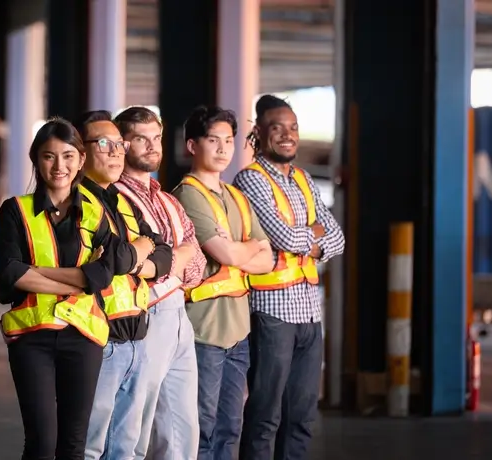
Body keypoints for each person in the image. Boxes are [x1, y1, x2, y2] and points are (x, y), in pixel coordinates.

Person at [0, 117, 156, 460]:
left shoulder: (96, 216)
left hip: (83, 336)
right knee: (41, 443)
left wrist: (36, 272)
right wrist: (76, 277)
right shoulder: (15, 210)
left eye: (67, 156)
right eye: (49, 156)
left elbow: (101, 275)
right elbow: (8, 271)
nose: (59, 165)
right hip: (31, 338)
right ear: (36, 159)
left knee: (74, 445)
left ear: (80, 160)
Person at [232, 95, 345, 460]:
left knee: (302, 417)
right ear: (259, 133)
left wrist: (307, 238)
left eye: (293, 128)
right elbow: (285, 237)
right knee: (266, 415)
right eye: (277, 128)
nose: (287, 135)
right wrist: (312, 236)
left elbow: (338, 238)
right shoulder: (250, 180)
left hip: (310, 314)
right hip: (272, 313)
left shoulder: (304, 179)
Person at [170, 106, 275, 460]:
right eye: (213, 140)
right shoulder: (187, 196)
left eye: (228, 141)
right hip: (204, 332)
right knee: (202, 427)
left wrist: (240, 250)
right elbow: (229, 255)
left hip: (238, 331)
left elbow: (269, 258)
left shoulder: (237, 198)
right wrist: (247, 250)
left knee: (231, 427)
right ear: (192, 145)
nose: (222, 149)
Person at [73, 110, 174, 460]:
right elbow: (114, 261)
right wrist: (135, 255)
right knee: (89, 446)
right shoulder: (76, 202)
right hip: (99, 340)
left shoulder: (120, 203)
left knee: (125, 449)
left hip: (135, 339)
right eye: (105, 143)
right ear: (81, 152)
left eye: (119, 144)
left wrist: (137, 259)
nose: (117, 151)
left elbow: (163, 252)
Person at [113, 106, 207, 460]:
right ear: (122, 145)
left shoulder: (166, 199)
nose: (153, 147)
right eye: (142, 139)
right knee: (133, 426)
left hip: (179, 317)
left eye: (157, 138)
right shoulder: (115, 199)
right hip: (144, 316)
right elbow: (140, 266)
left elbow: (196, 264)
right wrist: (175, 256)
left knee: (182, 429)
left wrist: (174, 257)